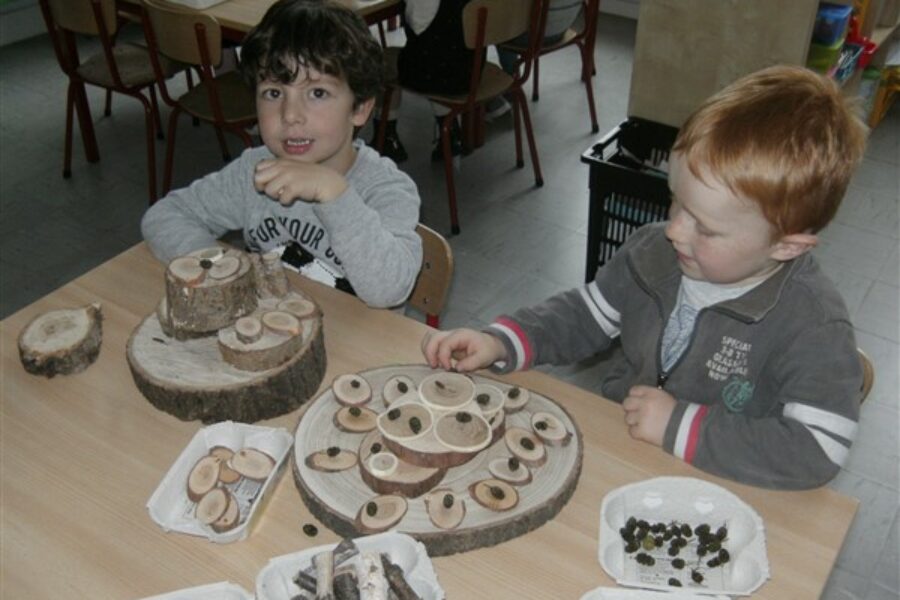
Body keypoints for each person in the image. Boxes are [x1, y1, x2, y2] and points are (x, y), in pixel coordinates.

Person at [422, 65, 869, 490]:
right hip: (620, 449)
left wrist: (682, 428)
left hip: (719, 484)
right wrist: (504, 341)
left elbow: (818, 449)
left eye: (706, 227)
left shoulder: (812, 325)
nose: (673, 229)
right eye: (676, 201)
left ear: (786, 246)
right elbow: (584, 315)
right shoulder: (655, 251)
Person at [141, 0, 422, 309]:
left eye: (317, 93)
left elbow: (389, 290)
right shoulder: (256, 169)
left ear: (360, 108)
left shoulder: (387, 190)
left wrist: (335, 194)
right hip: (275, 332)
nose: (290, 115)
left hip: (358, 348)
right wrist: (222, 269)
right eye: (274, 93)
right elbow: (164, 216)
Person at [374, 0, 474, 163]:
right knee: (439, 54)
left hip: (439, 73)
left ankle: (386, 137)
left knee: (382, 60)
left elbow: (416, 26)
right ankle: (450, 131)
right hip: (472, 67)